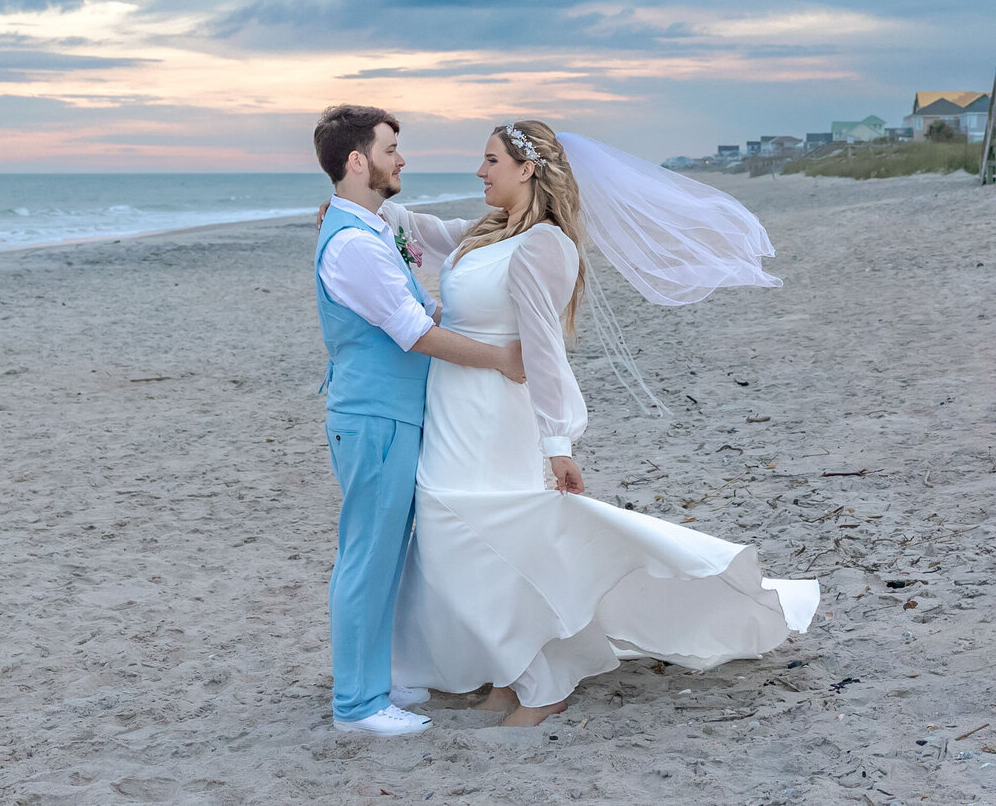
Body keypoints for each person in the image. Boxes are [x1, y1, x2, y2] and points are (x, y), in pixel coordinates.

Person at [380, 121, 819, 727]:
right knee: (469, 542)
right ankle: (510, 677)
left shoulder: (544, 246)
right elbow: (427, 232)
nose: (480, 172)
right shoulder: (482, 236)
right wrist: (361, 207)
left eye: (490, 161)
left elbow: (543, 349)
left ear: (527, 168)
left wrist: (558, 442)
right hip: (452, 409)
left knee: (476, 541)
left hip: (494, 416)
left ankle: (544, 683)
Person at [310, 105, 526, 736]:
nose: (400, 159)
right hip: (374, 417)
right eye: (390, 148)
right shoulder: (354, 245)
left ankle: (378, 680)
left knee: (387, 557)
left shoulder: (372, 229)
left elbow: (420, 298)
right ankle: (356, 705)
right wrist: (501, 361)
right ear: (358, 161)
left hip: (393, 415)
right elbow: (417, 333)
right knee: (366, 557)